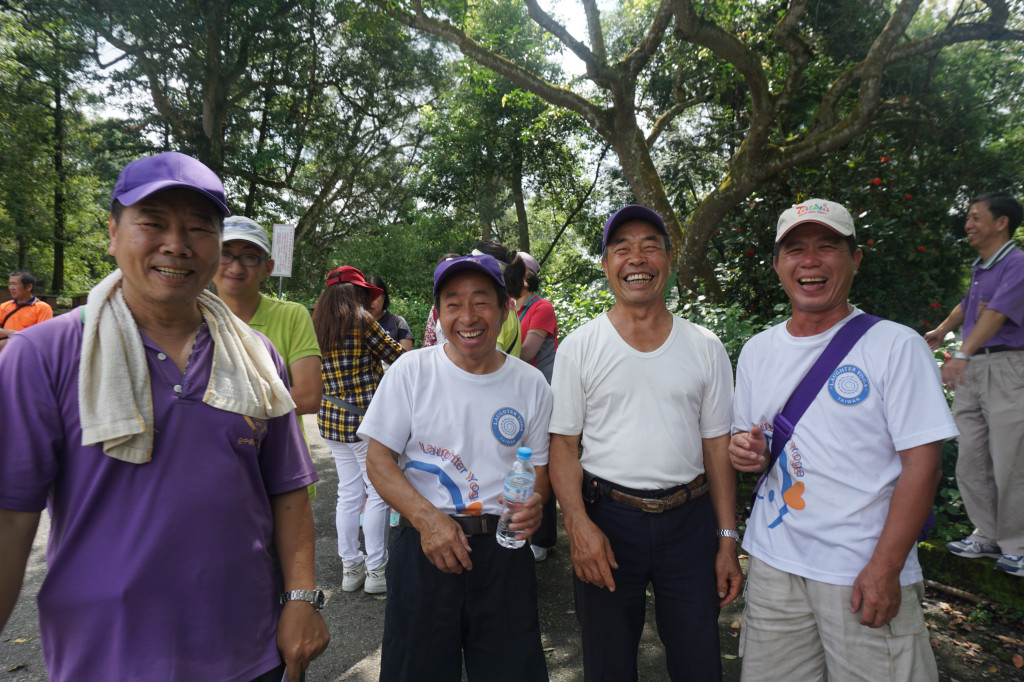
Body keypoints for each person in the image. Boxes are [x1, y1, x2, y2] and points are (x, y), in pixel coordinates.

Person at [0, 151, 329, 682]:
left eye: (199, 228)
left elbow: (287, 489)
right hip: (105, 658)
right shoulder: (45, 355)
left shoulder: (256, 357)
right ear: (113, 232)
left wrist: (301, 599)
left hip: (249, 651)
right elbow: (11, 520)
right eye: (152, 223)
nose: (176, 244)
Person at [730, 198, 957, 681]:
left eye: (827, 246)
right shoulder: (756, 351)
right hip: (774, 565)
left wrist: (886, 567)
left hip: (860, 570)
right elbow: (754, 444)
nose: (809, 260)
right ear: (777, 265)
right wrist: (746, 452)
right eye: (794, 250)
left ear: (854, 259)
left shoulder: (898, 346)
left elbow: (924, 466)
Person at [548, 205, 741, 681]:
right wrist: (577, 525)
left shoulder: (704, 346)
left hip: (689, 523)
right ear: (606, 264)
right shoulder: (580, 346)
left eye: (650, 246)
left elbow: (717, 448)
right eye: (623, 249)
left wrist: (726, 539)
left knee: (699, 663)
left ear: (669, 260)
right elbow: (563, 447)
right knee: (608, 666)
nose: (637, 259)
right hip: (607, 520)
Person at [362, 253, 552, 681]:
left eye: (481, 301)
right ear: (438, 313)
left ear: (506, 309)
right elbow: (379, 460)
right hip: (423, 547)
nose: (468, 316)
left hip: (504, 555)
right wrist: (427, 519)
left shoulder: (530, 383)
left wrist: (535, 501)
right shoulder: (410, 371)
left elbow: (539, 466)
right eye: (453, 303)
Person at [925, 192, 1024, 577]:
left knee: (1011, 459)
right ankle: (988, 535)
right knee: (971, 456)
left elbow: (997, 312)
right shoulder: (983, 266)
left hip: (1007, 367)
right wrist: (941, 331)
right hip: (975, 367)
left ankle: (1018, 546)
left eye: (975, 216)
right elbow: (970, 304)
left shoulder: (1017, 263)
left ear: (1002, 222)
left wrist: (962, 353)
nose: (968, 223)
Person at [213, 216, 323, 502]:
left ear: (267, 268)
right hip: (213, 474)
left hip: (279, 471)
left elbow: (310, 396)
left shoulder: (292, 316)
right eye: (225, 255)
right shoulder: (189, 317)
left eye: (249, 257)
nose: (236, 267)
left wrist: (221, 405)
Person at [313, 266, 404, 595]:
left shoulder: (316, 323)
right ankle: (377, 571)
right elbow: (398, 358)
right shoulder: (363, 321)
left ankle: (350, 568)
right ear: (356, 293)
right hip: (366, 423)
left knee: (349, 494)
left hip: (331, 421)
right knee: (377, 493)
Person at [511, 251, 559, 562]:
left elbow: (527, 350)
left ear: (525, 277)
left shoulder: (541, 307)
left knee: (542, 463)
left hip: (540, 394)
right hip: (514, 393)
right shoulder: (509, 307)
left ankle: (543, 537)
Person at [0, 270, 53, 353]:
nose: (11, 288)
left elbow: (44, 337)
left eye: (15, 284)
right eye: (10, 284)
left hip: (28, 355)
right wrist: (8, 332)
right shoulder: (4, 306)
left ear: (29, 287)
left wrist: (12, 341)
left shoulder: (43, 308)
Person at [365, 274, 414, 351]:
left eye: (374, 297)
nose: (370, 301)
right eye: (366, 297)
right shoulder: (354, 324)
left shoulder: (398, 322)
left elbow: (407, 356)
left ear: (383, 298)